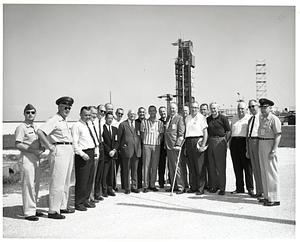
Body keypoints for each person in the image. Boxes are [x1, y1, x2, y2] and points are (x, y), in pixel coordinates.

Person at [37, 96, 75, 219]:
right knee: (57, 180)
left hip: (68, 150)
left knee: (65, 181)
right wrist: (48, 145)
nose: (67, 109)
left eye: (69, 107)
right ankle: (53, 210)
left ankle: (62, 206)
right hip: (59, 150)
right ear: (59, 107)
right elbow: (40, 132)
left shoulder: (64, 120)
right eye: (65, 107)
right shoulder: (54, 120)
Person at [15, 104, 45, 221]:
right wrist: (34, 150)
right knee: (28, 185)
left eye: (32, 112)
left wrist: (41, 147)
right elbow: (18, 144)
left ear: (35, 114)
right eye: (28, 112)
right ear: (24, 114)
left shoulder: (35, 127)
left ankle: (33, 208)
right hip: (27, 158)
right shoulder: (22, 127)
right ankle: (28, 212)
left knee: (36, 185)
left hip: (36, 158)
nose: (30, 114)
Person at [71, 106, 96, 211]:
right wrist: (81, 154)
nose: (87, 117)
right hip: (83, 154)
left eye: (89, 115)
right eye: (85, 115)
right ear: (80, 115)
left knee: (89, 179)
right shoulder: (77, 125)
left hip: (91, 152)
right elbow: (74, 143)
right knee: (82, 179)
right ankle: (79, 203)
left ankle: (86, 200)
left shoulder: (89, 124)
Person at [257, 98, 281, 206]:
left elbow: (278, 135)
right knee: (264, 171)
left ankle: (275, 198)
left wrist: (274, 150)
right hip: (262, 145)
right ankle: (267, 196)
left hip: (269, 145)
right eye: (261, 107)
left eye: (265, 107)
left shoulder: (274, 119)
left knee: (271, 172)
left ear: (270, 108)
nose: (263, 109)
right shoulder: (263, 119)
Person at [229, 101, 254, 195]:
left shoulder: (249, 118)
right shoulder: (234, 118)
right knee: (237, 166)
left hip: (244, 141)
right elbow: (231, 131)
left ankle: (250, 188)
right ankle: (239, 187)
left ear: (246, 109)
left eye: (242, 108)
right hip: (234, 142)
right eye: (239, 108)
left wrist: (248, 146)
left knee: (247, 166)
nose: (240, 110)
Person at [206, 102, 231, 195]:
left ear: (218, 108)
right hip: (211, 141)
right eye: (211, 108)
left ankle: (222, 187)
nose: (213, 110)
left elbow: (228, 131)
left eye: (215, 108)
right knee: (212, 166)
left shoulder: (223, 118)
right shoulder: (208, 119)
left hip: (220, 141)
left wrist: (225, 141)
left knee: (220, 166)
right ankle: (214, 186)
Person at [184, 102, 208, 195]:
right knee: (192, 166)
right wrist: (186, 146)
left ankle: (200, 188)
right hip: (189, 141)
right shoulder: (187, 118)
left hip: (198, 140)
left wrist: (203, 145)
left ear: (198, 108)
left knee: (199, 166)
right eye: (192, 107)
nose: (194, 109)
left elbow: (205, 132)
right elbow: (186, 133)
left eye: (195, 107)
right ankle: (193, 186)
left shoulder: (202, 117)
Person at [140, 105, 164, 193]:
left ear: (156, 112)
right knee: (146, 166)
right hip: (147, 145)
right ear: (148, 112)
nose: (152, 112)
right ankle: (145, 185)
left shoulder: (160, 123)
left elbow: (161, 134)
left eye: (154, 110)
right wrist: (146, 142)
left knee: (154, 166)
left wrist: (158, 142)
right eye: (150, 111)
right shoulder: (144, 122)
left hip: (156, 145)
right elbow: (142, 135)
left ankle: (152, 184)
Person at [118, 109, 142, 194]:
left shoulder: (139, 124)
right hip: (127, 150)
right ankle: (127, 187)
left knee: (135, 170)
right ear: (128, 115)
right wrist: (121, 148)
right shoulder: (123, 125)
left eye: (134, 114)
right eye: (131, 114)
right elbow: (119, 138)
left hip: (136, 150)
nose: (132, 115)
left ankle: (134, 186)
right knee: (126, 170)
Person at [164, 102, 185, 194]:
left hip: (175, 146)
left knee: (177, 166)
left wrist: (178, 144)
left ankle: (180, 186)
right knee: (171, 167)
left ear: (176, 109)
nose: (172, 110)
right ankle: (173, 185)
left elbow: (181, 133)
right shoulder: (168, 118)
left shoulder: (179, 118)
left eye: (173, 108)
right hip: (168, 146)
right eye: (170, 108)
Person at [246, 99, 263, 198]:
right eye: (250, 107)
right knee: (255, 168)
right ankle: (259, 190)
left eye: (253, 106)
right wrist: (247, 148)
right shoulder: (251, 119)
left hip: (258, 141)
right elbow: (248, 134)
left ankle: (263, 190)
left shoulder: (261, 118)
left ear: (258, 106)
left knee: (260, 167)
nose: (252, 108)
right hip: (251, 141)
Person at [102, 112, 119, 197]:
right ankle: (104, 190)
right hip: (106, 154)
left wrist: (114, 150)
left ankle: (110, 188)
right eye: (109, 118)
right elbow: (103, 142)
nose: (110, 120)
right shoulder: (102, 128)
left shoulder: (115, 129)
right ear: (105, 118)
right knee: (105, 173)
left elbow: (117, 141)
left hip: (113, 154)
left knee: (111, 173)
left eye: (112, 118)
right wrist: (109, 151)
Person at [88, 106, 101, 204]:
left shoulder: (95, 123)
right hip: (89, 152)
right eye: (93, 113)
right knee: (89, 176)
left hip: (96, 150)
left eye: (95, 114)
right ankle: (89, 197)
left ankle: (92, 196)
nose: (94, 116)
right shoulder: (86, 124)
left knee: (94, 175)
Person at [93, 104, 106, 201]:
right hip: (94, 146)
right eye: (101, 111)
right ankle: (91, 195)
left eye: (104, 112)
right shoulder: (92, 121)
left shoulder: (102, 121)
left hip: (101, 145)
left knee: (100, 171)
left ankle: (97, 193)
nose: (102, 113)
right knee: (94, 171)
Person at [112, 107, 124, 191]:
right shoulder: (113, 123)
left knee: (123, 169)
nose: (120, 115)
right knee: (114, 169)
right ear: (116, 113)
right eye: (118, 113)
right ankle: (113, 185)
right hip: (115, 148)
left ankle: (123, 185)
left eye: (121, 114)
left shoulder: (123, 123)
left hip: (123, 149)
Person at [200, 103, 211, 191]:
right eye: (202, 109)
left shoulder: (209, 119)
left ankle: (212, 184)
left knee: (210, 165)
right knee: (202, 165)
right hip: (201, 144)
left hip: (209, 144)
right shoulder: (199, 119)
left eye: (204, 109)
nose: (203, 111)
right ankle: (205, 184)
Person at [136, 107, 146, 189]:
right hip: (138, 147)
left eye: (143, 112)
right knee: (138, 166)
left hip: (146, 146)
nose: (142, 114)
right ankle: (138, 184)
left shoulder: (147, 122)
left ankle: (147, 184)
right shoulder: (135, 122)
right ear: (138, 113)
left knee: (147, 166)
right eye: (140, 112)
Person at [158, 106, 168, 188]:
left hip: (169, 144)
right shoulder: (158, 122)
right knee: (161, 164)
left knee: (171, 164)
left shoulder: (170, 120)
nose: (162, 113)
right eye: (161, 112)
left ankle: (172, 180)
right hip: (161, 145)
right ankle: (161, 182)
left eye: (164, 111)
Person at [181, 105, 190, 189]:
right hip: (181, 145)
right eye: (183, 111)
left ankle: (193, 183)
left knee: (190, 166)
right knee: (182, 166)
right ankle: (185, 183)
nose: (185, 112)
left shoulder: (190, 120)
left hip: (189, 145)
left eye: (186, 111)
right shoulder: (180, 119)